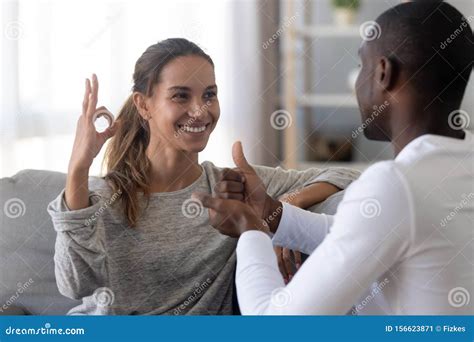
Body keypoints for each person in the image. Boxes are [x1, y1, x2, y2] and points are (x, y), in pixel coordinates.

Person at [195, 1, 474, 315]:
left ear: (383, 73)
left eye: (362, 66)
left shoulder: (396, 184)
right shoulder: (459, 163)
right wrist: (270, 212)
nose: (358, 82)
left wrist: (249, 229)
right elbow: (359, 231)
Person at [47, 38, 360, 315]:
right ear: (144, 105)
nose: (200, 111)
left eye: (209, 95)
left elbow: (345, 175)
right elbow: (75, 285)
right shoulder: (107, 195)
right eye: (181, 96)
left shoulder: (230, 188)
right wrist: (78, 169)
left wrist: (279, 212)